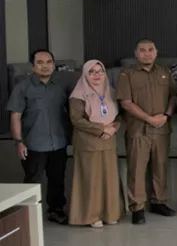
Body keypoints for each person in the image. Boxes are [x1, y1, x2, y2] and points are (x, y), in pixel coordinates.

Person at [116, 39, 177, 224]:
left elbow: (174, 96)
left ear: (156, 53)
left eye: (150, 50)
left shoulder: (165, 72)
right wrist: (149, 119)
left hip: (162, 129)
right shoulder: (127, 74)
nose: (147, 53)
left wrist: (166, 115)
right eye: (142, 50)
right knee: (137, 169)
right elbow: (125, 102)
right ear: (136, 54)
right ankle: (137, 207)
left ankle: (158, 202)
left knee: (160, 167)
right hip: (139, 130)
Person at [8, 49, 69, 225]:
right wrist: (18, 142)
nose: (45, 66)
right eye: (40, 62)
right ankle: (27, 214)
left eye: (48, 62)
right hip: (33, 143)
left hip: (58, 141)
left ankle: (56, 210)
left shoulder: (60, 86)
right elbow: (15, 116)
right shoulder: (23, 87)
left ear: (54, 64)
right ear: (33, 66)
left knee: (57, 179)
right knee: (33, 179)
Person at [68, 59, 122, 228]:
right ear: (85, 74)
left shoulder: (111, 92)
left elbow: (120, 116)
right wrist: (101, 129)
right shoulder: (78, 95)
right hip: (88, 143)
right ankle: (91, 216)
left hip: (109, 142)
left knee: (109, 179)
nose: (97, 75)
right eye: (92, 72)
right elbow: (76, 120)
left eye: (100, 71)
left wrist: (114, 127)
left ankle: (110, 213)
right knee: (91, 180)